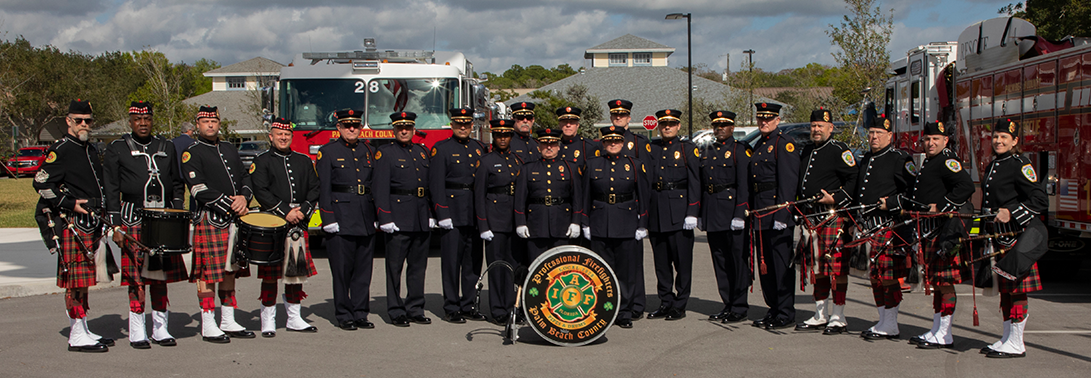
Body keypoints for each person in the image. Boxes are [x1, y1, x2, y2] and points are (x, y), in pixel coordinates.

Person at [103, 101, 188, 349]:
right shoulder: (117, 148)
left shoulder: (166, 146)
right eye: (137, 119)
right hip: (132, 218)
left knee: (159, 277)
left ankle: (161, 329)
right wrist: (115, 225)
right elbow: (111, 189)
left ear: (152, 120)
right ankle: (137, 330)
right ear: (130, 121)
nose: (143, 123)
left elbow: (176, 183)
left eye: (147, 119)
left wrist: (177, 212)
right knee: (135, 278)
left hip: (163, 219)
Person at [34, 99, 114, 352]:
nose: (83, 124)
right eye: (78, 120)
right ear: (68, 121)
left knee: (83, 281)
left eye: (87, 121)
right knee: (75, 281)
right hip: (73, 224)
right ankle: (76, 335)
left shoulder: (90, 149)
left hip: (91, 222)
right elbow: (41, 183)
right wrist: (68, 203)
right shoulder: (62, 149)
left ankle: (83, 328)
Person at [885, 121, 973, 349]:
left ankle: (945, 333)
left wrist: (942, 206)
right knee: (937, 283)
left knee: (944, 283)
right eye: (927, 139)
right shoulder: (930, 161)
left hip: (942, 229)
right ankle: (936, 329)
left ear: (945, 141)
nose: (931, 143)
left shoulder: (947, 160)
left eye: (936, 139)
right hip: (929, 229)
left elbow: (966, 187)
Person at [182, 105, 255, 343]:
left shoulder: (228, 148)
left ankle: (228, 319)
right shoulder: (191, 152)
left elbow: (245, 177)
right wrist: (230, 204)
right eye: (205, 122)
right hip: (211, 218)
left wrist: (244, 197)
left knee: (230, 270)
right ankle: (208, 322)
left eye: (213, 121)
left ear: (219, 123)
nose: (210, 125)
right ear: (198, 125)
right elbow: (197, 189)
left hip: (234, 218)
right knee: (207, 273)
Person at [978, 118, 1047, 358]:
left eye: (1004, 137)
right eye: (996, 136)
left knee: (1016, 290)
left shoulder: (1020, 164)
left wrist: (1011, 212)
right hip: (998, 237)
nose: (998, 141)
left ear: (1015, 141)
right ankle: (1007, 338)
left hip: (1016, 237)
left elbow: (1040, 200)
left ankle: (1017, 343)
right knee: (1006, 291)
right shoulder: (993, 164)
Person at [250, 117, 320, 337]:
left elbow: (315, 188)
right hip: (272, 223)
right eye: (279, 134)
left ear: (291, 136)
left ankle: (294, 318)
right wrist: (285, 211)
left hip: (298, 222)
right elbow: (260, 190)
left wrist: (303, 211)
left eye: (287, 134)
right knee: (270, 275)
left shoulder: (303, 161)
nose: (283, 137)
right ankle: (268, 320)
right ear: (271, 136)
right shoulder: (261, 161)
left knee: (295, 273)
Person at [794, 109, 858, 335]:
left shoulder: (840, 150)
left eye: (821, 125)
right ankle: (820, 314)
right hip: (811, 218)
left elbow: (854, 179)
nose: (816, 129)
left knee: (837, 270)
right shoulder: (807, 150)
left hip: (833, 217)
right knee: (818, 268)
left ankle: (838, 315)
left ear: (831, 128)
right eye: (813, 125)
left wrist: (837, 198)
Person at [582, 125, 650, 329]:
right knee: (600, 271)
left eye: (617, 141)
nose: (613, 144)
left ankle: (624, 312)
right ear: (603, 143)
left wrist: (642, 224)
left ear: (622, 142)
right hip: (600, 223)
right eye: (609, 141)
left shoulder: (634, 165)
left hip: (627, 224)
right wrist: (585, 222)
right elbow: (585, 196)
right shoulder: (592, 164)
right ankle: (603, 309)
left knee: (626, 272)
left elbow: (643, 197)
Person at [318, 109, 379, 331]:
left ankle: (361, 312)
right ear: (339, 128)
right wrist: (328, 217)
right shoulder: (328, 152)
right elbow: (323, 188)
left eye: (355, 125)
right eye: (346, 125)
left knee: (363, 271)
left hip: (365, 216)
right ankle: (344, 314)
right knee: (342, 271)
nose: (351, 129)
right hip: (340, 217)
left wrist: (377, 216)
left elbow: (375, 185)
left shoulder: (369, 151)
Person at [374, 111, 434, 327]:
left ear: (413, 130)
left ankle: (415, 307)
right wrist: (385, 217)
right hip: (397, 218)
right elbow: (380, 188)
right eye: (400, 128)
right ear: (394, 130)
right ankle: (396, 309)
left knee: (418, 267)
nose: (404, 131)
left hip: (420, 217)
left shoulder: (422, 152)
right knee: (395, 268)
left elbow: (428, 187)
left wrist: (431, 214)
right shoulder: (385, 153)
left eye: (408, 128)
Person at [855, 116, 912, 341]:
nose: (874, 137)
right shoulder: (867, 157)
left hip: (888, 225)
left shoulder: (900, 158)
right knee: (874, 276)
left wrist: (892, 203)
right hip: (868, 226)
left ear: (890, 136)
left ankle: (891, 323)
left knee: (888, 276)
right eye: (871, 133)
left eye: (879, 133)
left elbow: (910, 192)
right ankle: (883, 320)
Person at [431, 107, 488, 323]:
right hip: (452, 213)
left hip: (474, 213)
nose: (463, 127)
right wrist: (441, 213)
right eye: (458, 123)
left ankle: (469, 304)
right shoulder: (442, 149)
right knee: (451, 263)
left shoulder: (479, 148)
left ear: (472, 126)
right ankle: (451, 306)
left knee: (473, 263)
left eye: (466, 124)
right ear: (452, 125)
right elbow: (435, 184)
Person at [748, 102, 800, 330]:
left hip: (777, 214)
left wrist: (784, 213)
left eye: (768, 119)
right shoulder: (760, 144)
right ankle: (773, 308)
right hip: (761, 213)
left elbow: (788, 182)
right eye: (760, 119)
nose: (764, 122)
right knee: (765, 266)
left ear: (778, 121)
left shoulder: (784, 144)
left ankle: (786, 311)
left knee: (781, 266)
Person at [645, 109, 700, 321]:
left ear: (678, 126)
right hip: (657, 213)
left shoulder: (687, 149)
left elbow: (695, 181)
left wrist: (692, 211)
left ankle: (680, 303)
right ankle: (665, 301)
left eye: (671, 124)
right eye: (663, 124)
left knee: (682, 263)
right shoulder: (652, 148)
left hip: (679, 214)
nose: (667, 127)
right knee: (661, 263)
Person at [698, 111, 752, 323]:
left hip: (732, 213)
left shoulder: (740, 150)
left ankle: (739, 306)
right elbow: (704, 184)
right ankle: (727, 303)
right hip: (712, 212)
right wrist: (702, 213)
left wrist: (740, 213)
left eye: (724, 125)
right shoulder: (707, 150)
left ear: (732, 127)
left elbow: (744, 185)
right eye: (716, 125)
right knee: (720, 261)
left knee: (737, 262)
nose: (720, 129)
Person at [474, 119, 523, 325]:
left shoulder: (517, 160)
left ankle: (514, 306)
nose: (503, 139)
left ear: (511, 136)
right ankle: (498, 309)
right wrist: (483, 225)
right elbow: (479, 195)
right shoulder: (485, 161)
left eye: (507, 135)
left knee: (515, 267)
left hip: (514, 221)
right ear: (494, 137)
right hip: (494, 221)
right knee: (497, 266)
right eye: (499, 135)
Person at [607, 99, 650, 319]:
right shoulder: (602, 143)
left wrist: (643, 217)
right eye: (615, 115)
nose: (618, 118)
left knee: (633, 264)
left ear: (629, 117)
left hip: (629, 212)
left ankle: (636, 304)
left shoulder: (638, 142)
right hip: (608, 215)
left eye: (622, 115)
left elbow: (645, 182)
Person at [513, 128, 583, 262]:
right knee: (537, 267)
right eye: (545, 144)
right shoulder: (528, 169)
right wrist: (520, 223)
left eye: (553, 144)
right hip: (536, 226)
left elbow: (577, 198)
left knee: (561, 267)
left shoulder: (570, 168)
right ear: (539, 146)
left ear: (558, 146)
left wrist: (576, 222)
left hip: (562, 225)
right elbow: (520, 199)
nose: (549, 147)